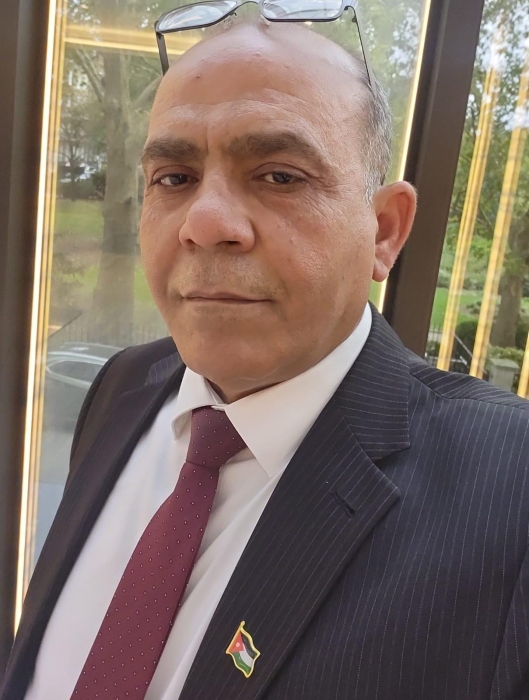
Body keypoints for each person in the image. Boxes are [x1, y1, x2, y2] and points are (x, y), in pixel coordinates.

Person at [3, 16, 529, 700]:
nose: (205, 223)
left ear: (384, 231)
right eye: (174, 177)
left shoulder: (508, 493)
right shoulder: (124, 386)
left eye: (279, 175)